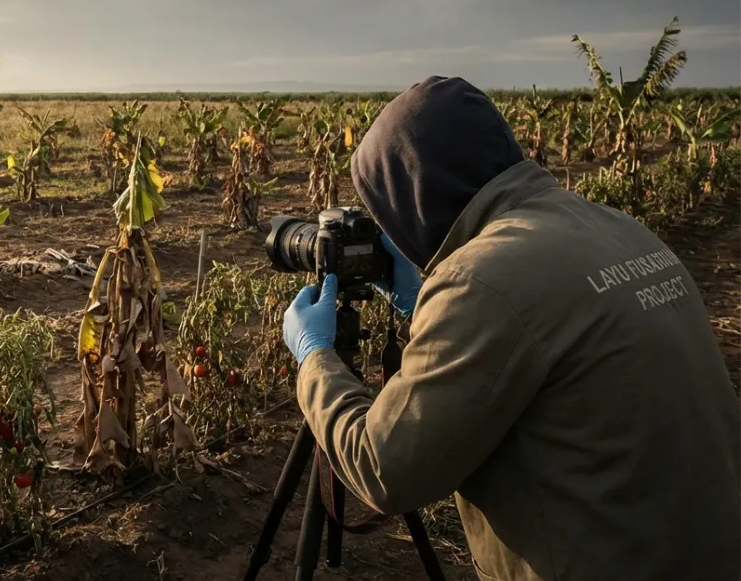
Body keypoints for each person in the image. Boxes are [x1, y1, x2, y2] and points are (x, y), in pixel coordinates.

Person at [281, 76, 740, 581]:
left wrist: (315, 357)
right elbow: (542, 335)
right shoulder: (614, 226)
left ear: (411, 192)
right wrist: (423, 305)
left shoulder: (480, 278)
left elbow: (384, 468)